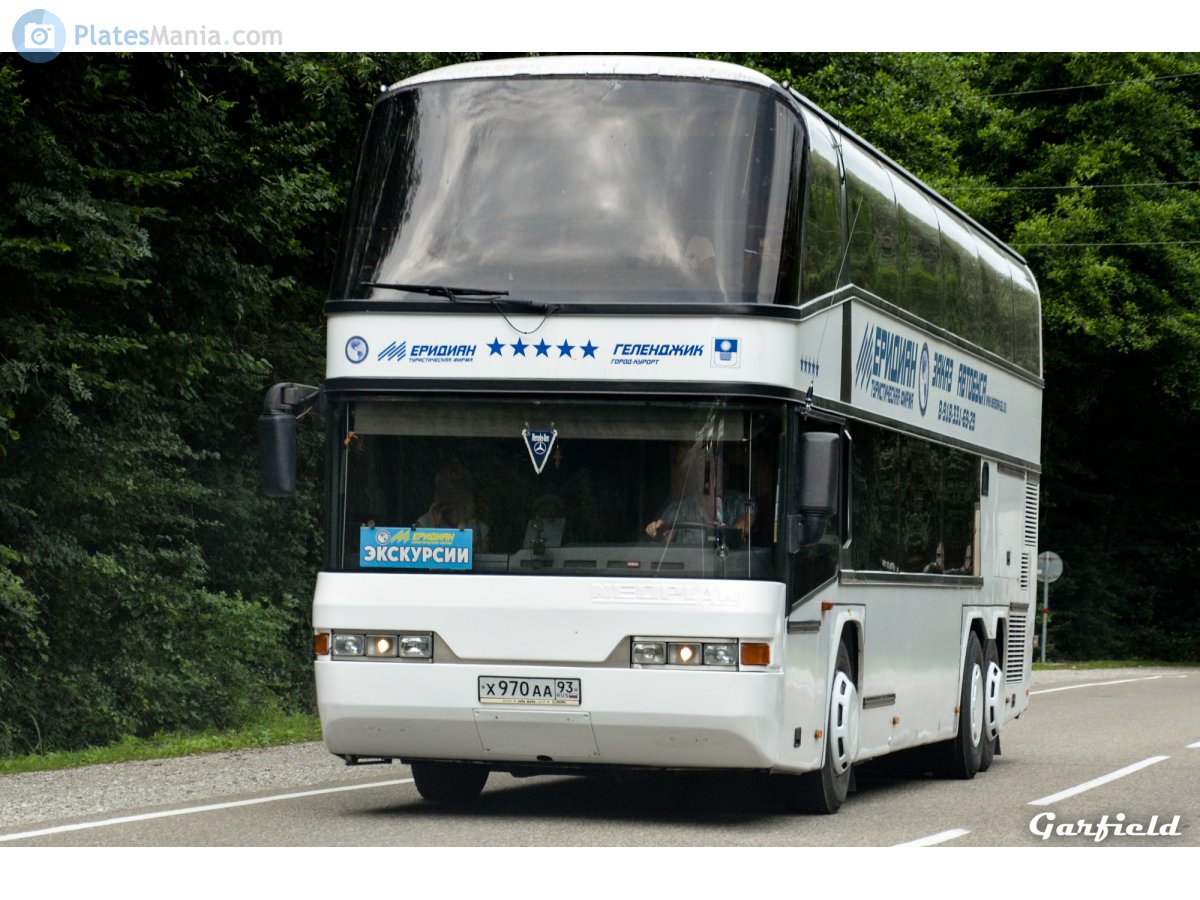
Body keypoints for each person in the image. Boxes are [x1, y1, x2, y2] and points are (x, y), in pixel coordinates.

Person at [644, 442, 755, 544]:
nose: (706, 477)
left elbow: (744, 525)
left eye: (712, 470)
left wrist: (730, 533)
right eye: (701, 471)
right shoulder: (679, 509)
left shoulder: (739, 502)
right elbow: (664, 537)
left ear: (724, 474)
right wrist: (658, 531)